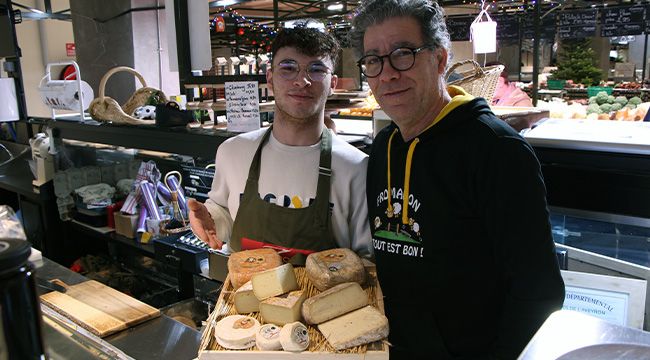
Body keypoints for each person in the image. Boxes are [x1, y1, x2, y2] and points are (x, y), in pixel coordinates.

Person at [349, 0, 565, 358]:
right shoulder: (384, 146)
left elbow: (538, 292)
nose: (387, 73)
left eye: (403, 53)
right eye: (374, 60)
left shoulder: (497, 151)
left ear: (440, 59)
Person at [188, 26, 372, 264]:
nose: (302, 80)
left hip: (325, 300)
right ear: (270, 78)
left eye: (316, 70)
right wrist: (211, 220)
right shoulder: (232, 152)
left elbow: (365, 260)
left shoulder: (355, 167)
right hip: (243, 297)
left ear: (333, 83)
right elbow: (223, 212)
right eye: (288, 68)